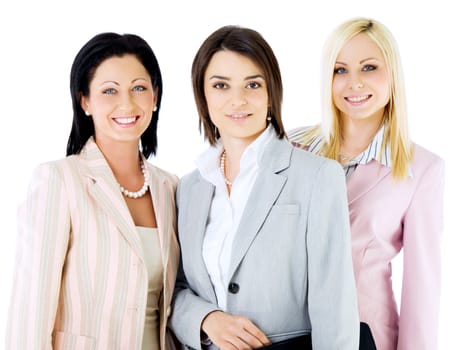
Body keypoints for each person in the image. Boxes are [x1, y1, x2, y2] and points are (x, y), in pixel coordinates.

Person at [169, 25, 359, 350]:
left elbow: (335, 305)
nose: (237, 100)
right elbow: (178, 286)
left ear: (271, 92)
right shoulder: (189, 187)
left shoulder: (318, 176)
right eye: (221, 86)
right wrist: (205, 319)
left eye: (252, 84)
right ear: (203, 95)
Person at [6, 32, 180, 350]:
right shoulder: (59, 181)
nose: (126, 103)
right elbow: (30, 311)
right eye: (109, 91)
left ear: (155, 97)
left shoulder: (171, 188)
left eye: (139, 88)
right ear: (84, 100)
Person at [288, 17, 445, 350]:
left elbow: (422, 291)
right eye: (340, 70)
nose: (354, 84)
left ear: (393, 76)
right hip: (286, 335)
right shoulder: (291, 147)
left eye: (369, 67)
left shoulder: (423, 169)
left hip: (365, 337)